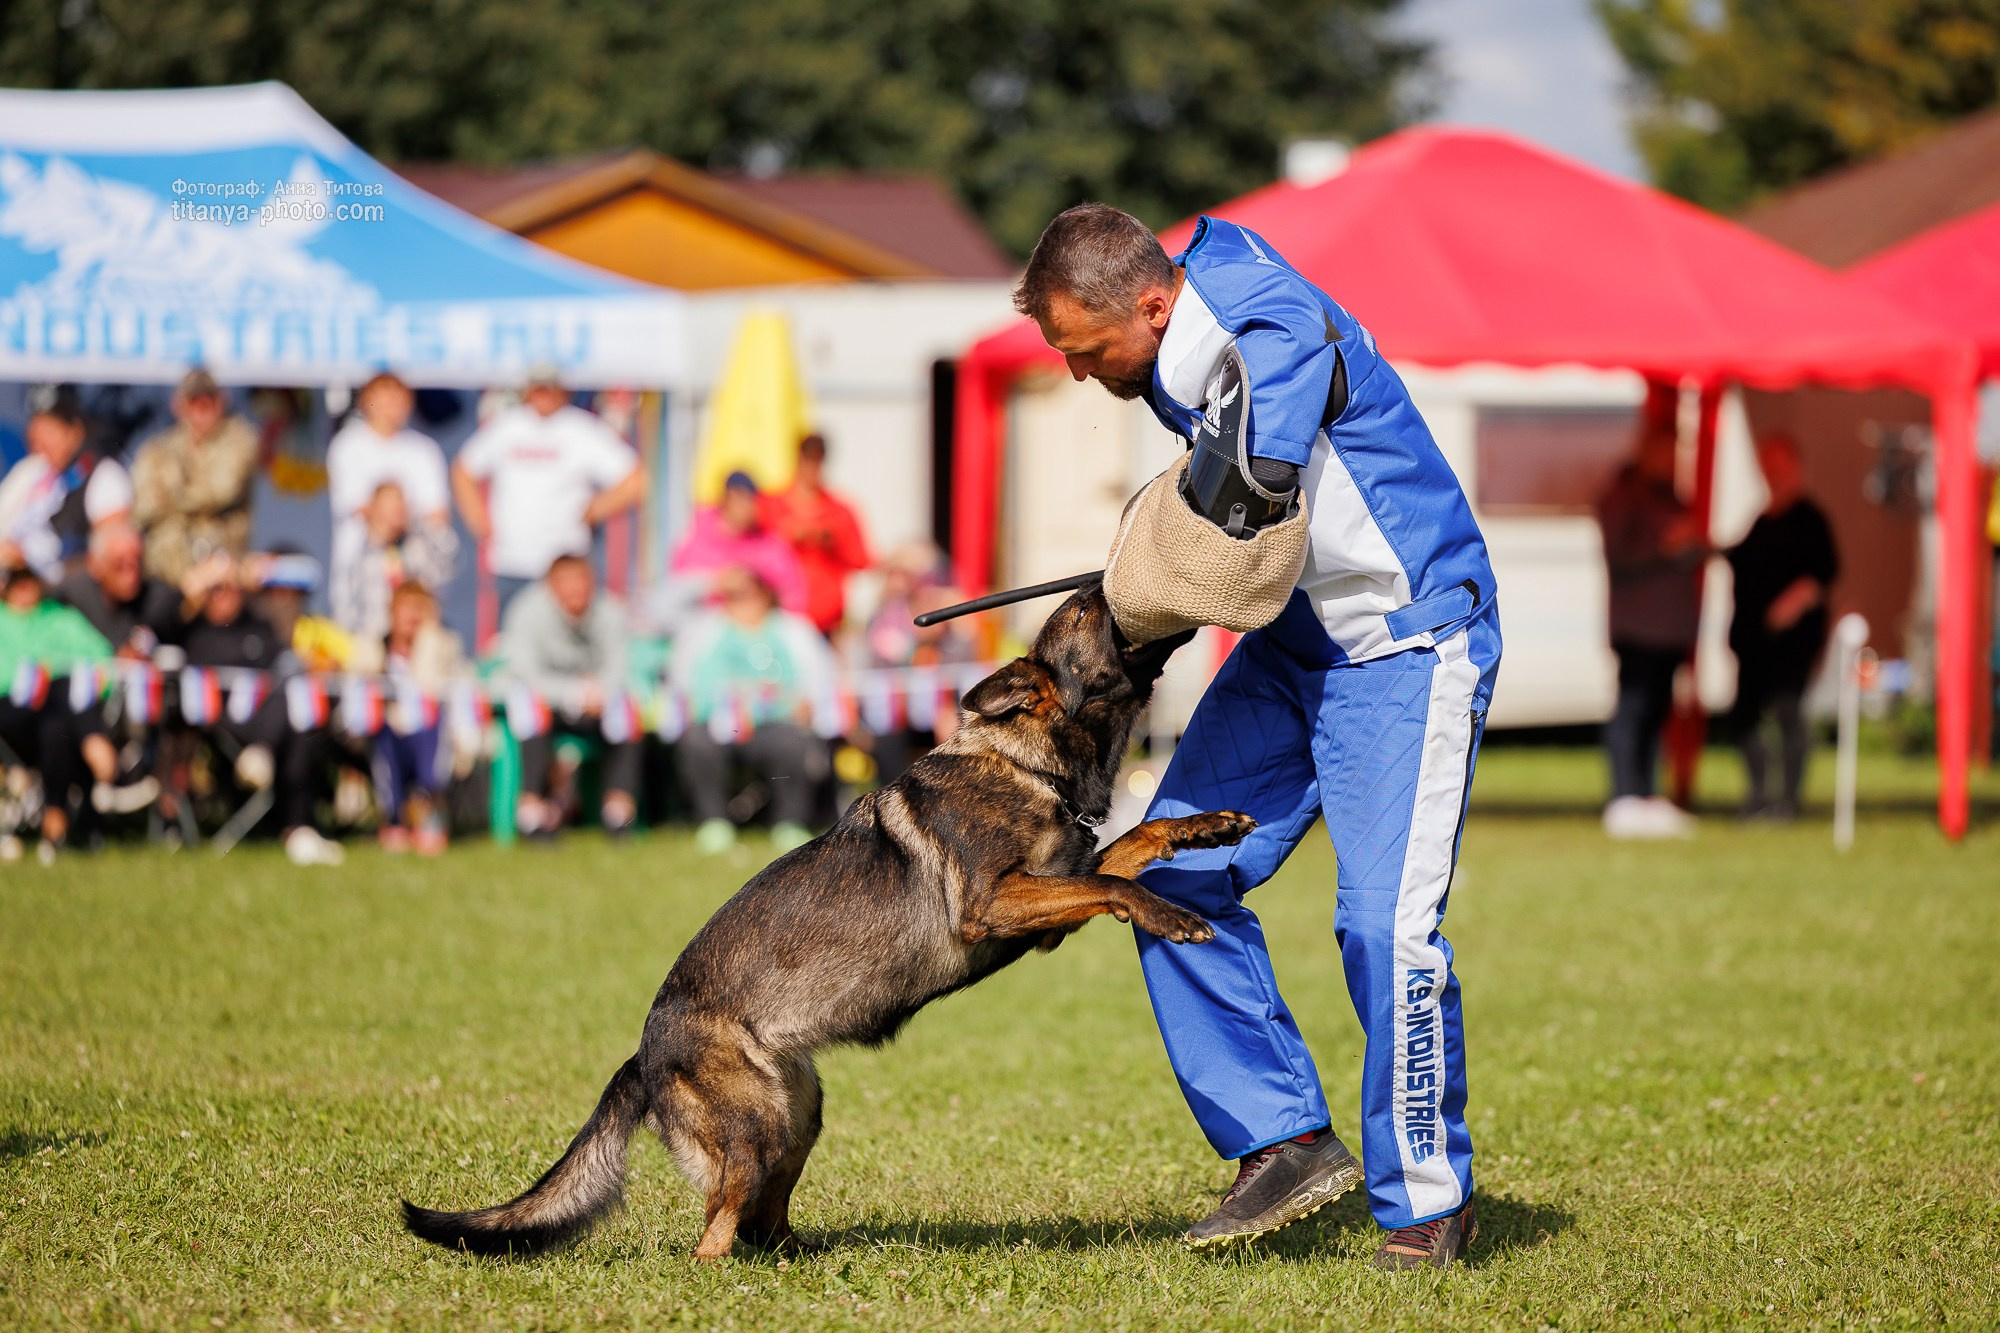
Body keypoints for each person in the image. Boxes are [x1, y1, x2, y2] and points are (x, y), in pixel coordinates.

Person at [1016, 203, 1501, 1269]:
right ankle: (1279, 1139)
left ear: (1148, 304)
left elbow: (1268, 416)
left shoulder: (1261, 328)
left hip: (1405, 653)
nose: (1075, 370)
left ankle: (1427, 1201)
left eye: (1080, 347)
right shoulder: (1170, 339)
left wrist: (1180, 544)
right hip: (1289, 656)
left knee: (1385, 931)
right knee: (1159, 875)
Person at [177, 553, 345, 867]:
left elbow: (285, 660)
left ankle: (295, 825)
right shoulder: (194, 632)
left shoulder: (256, 626)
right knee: (290, 707)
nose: (228, 594)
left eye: (233, 587)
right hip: (223, 720)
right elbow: (164, 612)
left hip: (268, 720)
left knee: (297, 712)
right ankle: (297, 826)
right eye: (218, 588)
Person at [452, 367, 646, 614]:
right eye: (538, 388)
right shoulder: (507, 427)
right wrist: (478, 519)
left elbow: (635, 480)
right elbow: (463, 470)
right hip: (512, 562)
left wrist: (596, 509)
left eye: (549, 389)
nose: (543, 395)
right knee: (514, 643)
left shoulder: (580, 428)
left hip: (565, 566)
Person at [668, 564, 833, 855]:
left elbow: (819, 680)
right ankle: (713, 821)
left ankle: (789, 821)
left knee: (792, 744)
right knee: (698, 742)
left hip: (776, 722)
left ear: (766, 594)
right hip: (718, 722)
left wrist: (807, 705)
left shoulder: (793, 630)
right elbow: (682, 677)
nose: (743, 601)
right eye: (734, 594)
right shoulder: (705, 628)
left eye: (750, 593)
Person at [1594, 410, 1705, 839]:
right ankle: (1623, 796)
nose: (1671, 458)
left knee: (1659, 713)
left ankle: (1649, 796)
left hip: (1670, 629)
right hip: (1638, 627)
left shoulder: (1671, 496)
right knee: (1632, 710)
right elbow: (1620, 558)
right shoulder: (1622, 494)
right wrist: (1665, 546)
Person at [0, 565, 158, 862]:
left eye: (29, 582)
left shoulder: (61, 617)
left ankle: (55, 819)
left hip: (58, 718)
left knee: (56, 718)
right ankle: (105, 759)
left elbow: (102, 662)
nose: (24, 591)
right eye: (17, 584)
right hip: (9, 712)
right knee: (58, 685)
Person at [1725, 432, 1840, 820]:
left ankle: (1787, 801)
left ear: (1795, 467)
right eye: (1766, 466)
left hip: (1791, 641)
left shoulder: (1810, 519)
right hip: (1753, 639)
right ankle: (1759, 794)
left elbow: (1823, 575)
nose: (1771, 473)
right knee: (1744, 715)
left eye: (1778, 466)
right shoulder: (1763, 519)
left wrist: (1790, 605)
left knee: (1789, 712)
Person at [501, 553, 639, 838]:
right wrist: (573, 692)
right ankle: (532, 812)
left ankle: (618, 813)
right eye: (568, 583)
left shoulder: (610, 611)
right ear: (551, 586)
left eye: (582, 582)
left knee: (626, 714)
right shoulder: (526, 611)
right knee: (532, 711)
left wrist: (598, 692)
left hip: (597, 703)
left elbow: (620, 667)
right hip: (546, 703)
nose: (576, 591)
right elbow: (524, 672)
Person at [349, 581, 468, 854]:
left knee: (430, 729)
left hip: (429, 731)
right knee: (385, 737)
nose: (413, 616)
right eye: (407, 608)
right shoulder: (373, 646)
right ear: (391, 611)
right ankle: (393, 818)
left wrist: (426, 643)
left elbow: (437, 688)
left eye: (420, 609)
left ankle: (428, 814)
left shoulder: (443, 646)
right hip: (384, 731)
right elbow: (360, 685)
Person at [326, 372, 453, 624]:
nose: (392, 401)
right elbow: (361, 510)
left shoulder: (424, 450)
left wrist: (393, 513)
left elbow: (438, 516)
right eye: (384, 393)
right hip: (363, 583)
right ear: (366, 398)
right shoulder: (347, 447)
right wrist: (397, 514)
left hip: (416, 584)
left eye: (399, 393)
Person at [130, 368, 260, 586]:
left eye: (208, 401)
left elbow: (220, 491)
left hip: (220, 568)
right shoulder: (159, 448)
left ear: (222, 402)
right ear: (178, 405)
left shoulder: (240, 438)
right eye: (194, 402)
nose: (201, 410)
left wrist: (168, 496)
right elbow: (142, 508)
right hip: (166, 572)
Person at [0, 395, 125, 580]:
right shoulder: (32, 471)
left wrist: (29, 564)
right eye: (35, 435)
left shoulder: (105, 476)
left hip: (60, 595)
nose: (40, 443)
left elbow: (115, 557)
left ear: (75, 431)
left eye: (49, 431)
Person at [761, 432, 871, 636]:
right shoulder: (771, 506)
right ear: (798, 459)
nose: (813, 467)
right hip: (777, 620)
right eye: (808, 459)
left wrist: (830, 541)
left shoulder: (840, 510)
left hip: (826, 623)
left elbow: (863, 560)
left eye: (817, 460)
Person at [669, 470, 808, 617]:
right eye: (741, 498)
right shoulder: (696, 536)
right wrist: (717, 584)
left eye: (751, 500)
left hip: (758, 631)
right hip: (706, 627)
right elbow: (677, 591)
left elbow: (794, 596)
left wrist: (763, 594)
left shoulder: (767, 543)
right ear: (727, 497)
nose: (747, 507)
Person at [330, 481, 457, 640]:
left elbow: (450, 559)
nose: (398, 509)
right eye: (390, 504)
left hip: (420, 640)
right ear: (374, 509)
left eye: (401, 503)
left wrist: (421, 523)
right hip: (377, 640)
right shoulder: (361, 560)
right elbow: (345, 610)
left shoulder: (418, 547)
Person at [56, 520, 185, 659]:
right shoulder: (72, 599)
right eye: (119, 566)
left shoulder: (159, 600)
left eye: (136, 563)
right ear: (95, 565)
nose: (131, 576)